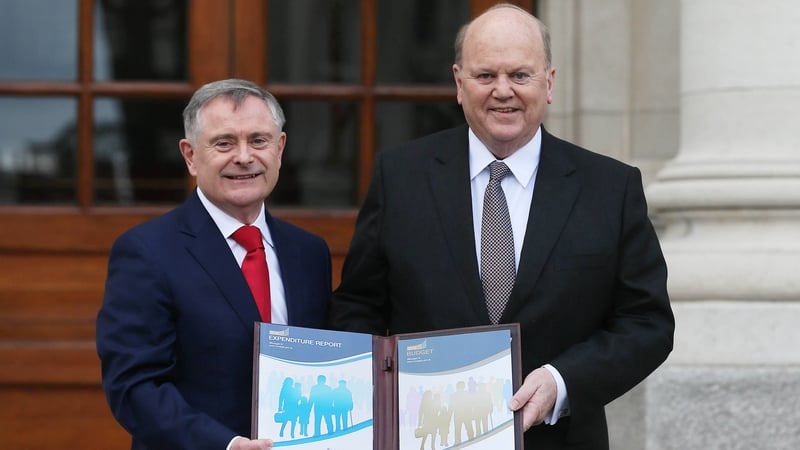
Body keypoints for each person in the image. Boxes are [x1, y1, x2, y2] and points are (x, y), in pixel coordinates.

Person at [328, 4, 674, 449]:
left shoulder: (610, 188)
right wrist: (384, 389)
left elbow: (647, 323)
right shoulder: (401, 178)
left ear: (548, 83)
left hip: (559, 438)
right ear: (458, 83)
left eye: (520, 75)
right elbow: (359, 306)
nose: (503, 91)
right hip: (427, 436)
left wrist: (561, 381)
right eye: (486, 75)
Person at [96, 79, 332, 450]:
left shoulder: (309, 253)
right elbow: (134, 387)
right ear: (190, 156)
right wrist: (225, 444)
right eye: (224, 143)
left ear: (280, 148)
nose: (244, 156)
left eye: (258, 140)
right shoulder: (146, 252)